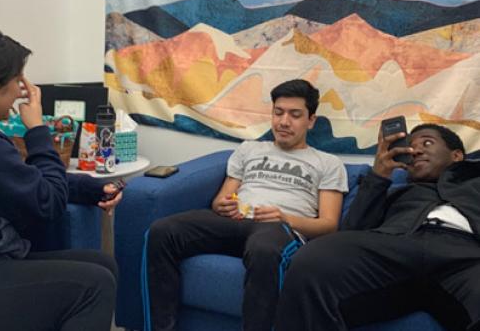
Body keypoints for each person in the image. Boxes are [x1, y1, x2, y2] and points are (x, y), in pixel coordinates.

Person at [0, 28, 122, 331]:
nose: (22, 94)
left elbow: (17, 178)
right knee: (94, 285)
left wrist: (90, 188)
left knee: (102, 264)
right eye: (18, 82)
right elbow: (47, 204)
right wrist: (36, 129)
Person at [145, 79, 348, 331]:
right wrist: (222, 205)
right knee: (161, 231)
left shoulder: (328, 163)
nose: (284, 122)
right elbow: (223, 198)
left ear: (311, 120)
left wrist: (284, 218)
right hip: (235, 221)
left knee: (264, 249)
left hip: (278, 229)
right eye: (278, 112)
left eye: (295, 115)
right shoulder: (249, 149)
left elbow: (329, 225)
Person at [274, 123, 480, 331]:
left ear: (456, 156)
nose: (415, 150)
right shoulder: (394, 192)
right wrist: (379, 176)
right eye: (409, 147)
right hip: (395, 247)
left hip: (465, 257)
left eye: (427, 143)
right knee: (313, 259)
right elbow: (351, 232)